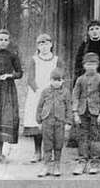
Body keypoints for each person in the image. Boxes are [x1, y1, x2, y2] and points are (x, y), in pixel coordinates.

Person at [23, 34, 62, 163]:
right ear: (37, 46)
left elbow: (60, 76)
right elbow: (30, 79)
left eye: (46, 43)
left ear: (51, 45)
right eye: (40, 44)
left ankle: (48, 152)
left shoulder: (56, 60)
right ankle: (37, 152)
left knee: (51, 124)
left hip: (53, 94)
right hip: (37, 94)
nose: (43, 47)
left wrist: (53, 91)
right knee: (37, 123)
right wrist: (39, 92)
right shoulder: (34, 59)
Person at [72, 52, 100, 175]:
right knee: (82, 137)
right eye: (88, 64)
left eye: (93, 63)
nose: (91, 66)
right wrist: (75, 112)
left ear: (97, 65)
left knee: (95, 137)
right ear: (84, 65)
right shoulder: (80, 79)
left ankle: (95, 162)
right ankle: (82, 161)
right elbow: (75, 96)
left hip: (96, 113)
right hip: (82, 112)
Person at [35, 68, 72, 177]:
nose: (56, 82)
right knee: (47, 144)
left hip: (60, 122)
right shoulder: (45, 91)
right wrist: (39, 121)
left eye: (59, 80)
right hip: (47, 121)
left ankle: (56, 165)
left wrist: (68, 122)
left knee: (58, 144)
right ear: (50, 80)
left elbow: (69, 108)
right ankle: (46, 166)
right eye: (54, 80)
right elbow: (39, 106)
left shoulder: (66, 92)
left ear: (63, 81)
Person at [0, 29, 23, 163]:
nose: (3, 42)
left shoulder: (12, 55)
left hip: (7, 92)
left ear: (9, 41)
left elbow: (20, 73)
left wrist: (10, 75)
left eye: (6, 40)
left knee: (5, 120)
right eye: (0, 39)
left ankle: (0, 153)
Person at [74, 20, 100, 85]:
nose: (94, 31)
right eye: (91, 29)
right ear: (88, 32)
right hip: (87, 79)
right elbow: (78, 65)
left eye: (97, 28)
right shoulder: (84, 46)